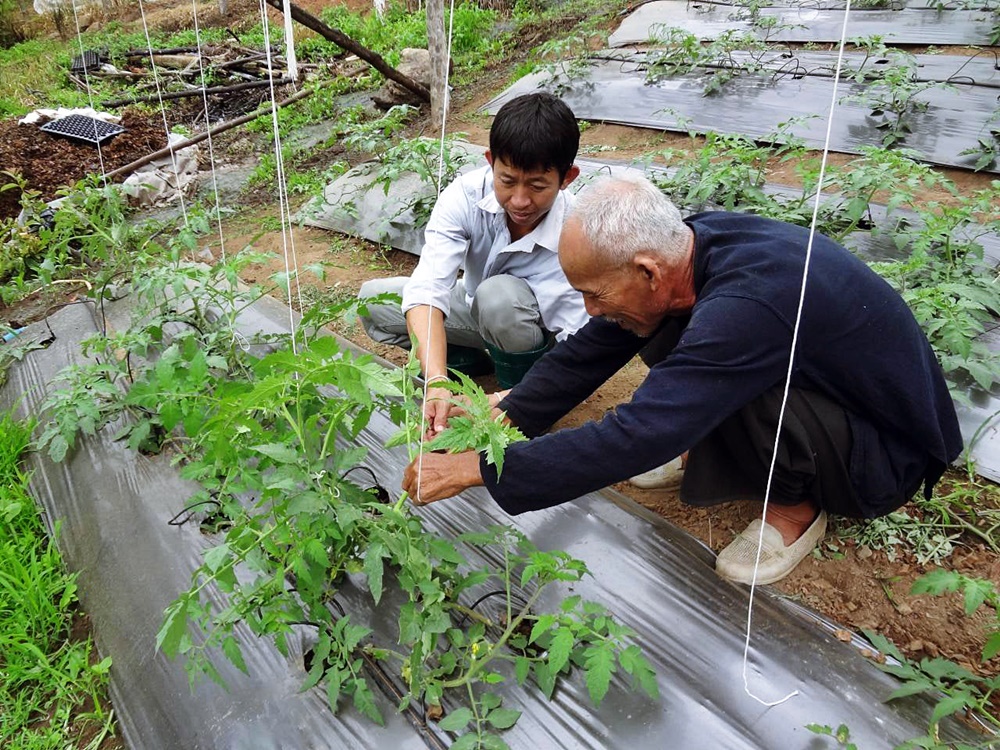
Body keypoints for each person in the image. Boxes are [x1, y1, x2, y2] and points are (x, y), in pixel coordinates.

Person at [401, 173, 963, 585]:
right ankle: (722, 452)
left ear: (646, 269)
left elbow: (642, 432)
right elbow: (594, 348)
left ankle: (794, 507)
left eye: (593, 293)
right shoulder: (687, 250)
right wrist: (513, 411)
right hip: (827, 392)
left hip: (880, 453)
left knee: (709, 373)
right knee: (657, 327)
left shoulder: (748, 306)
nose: (588, 310)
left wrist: (479, 468)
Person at [358, 92, 589, 438]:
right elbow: (428, 288)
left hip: (539, 337)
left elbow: (580, 347)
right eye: (507, 181)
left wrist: (522, 398)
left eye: (538, 186)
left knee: (498, 298)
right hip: (475, 312)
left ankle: (522, 409)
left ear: (567, 177)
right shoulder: (465, 196)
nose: (520, 200)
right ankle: (473, 362)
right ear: (490, 161)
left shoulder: (578, 230)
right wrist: (435, 380)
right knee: (374, 300)